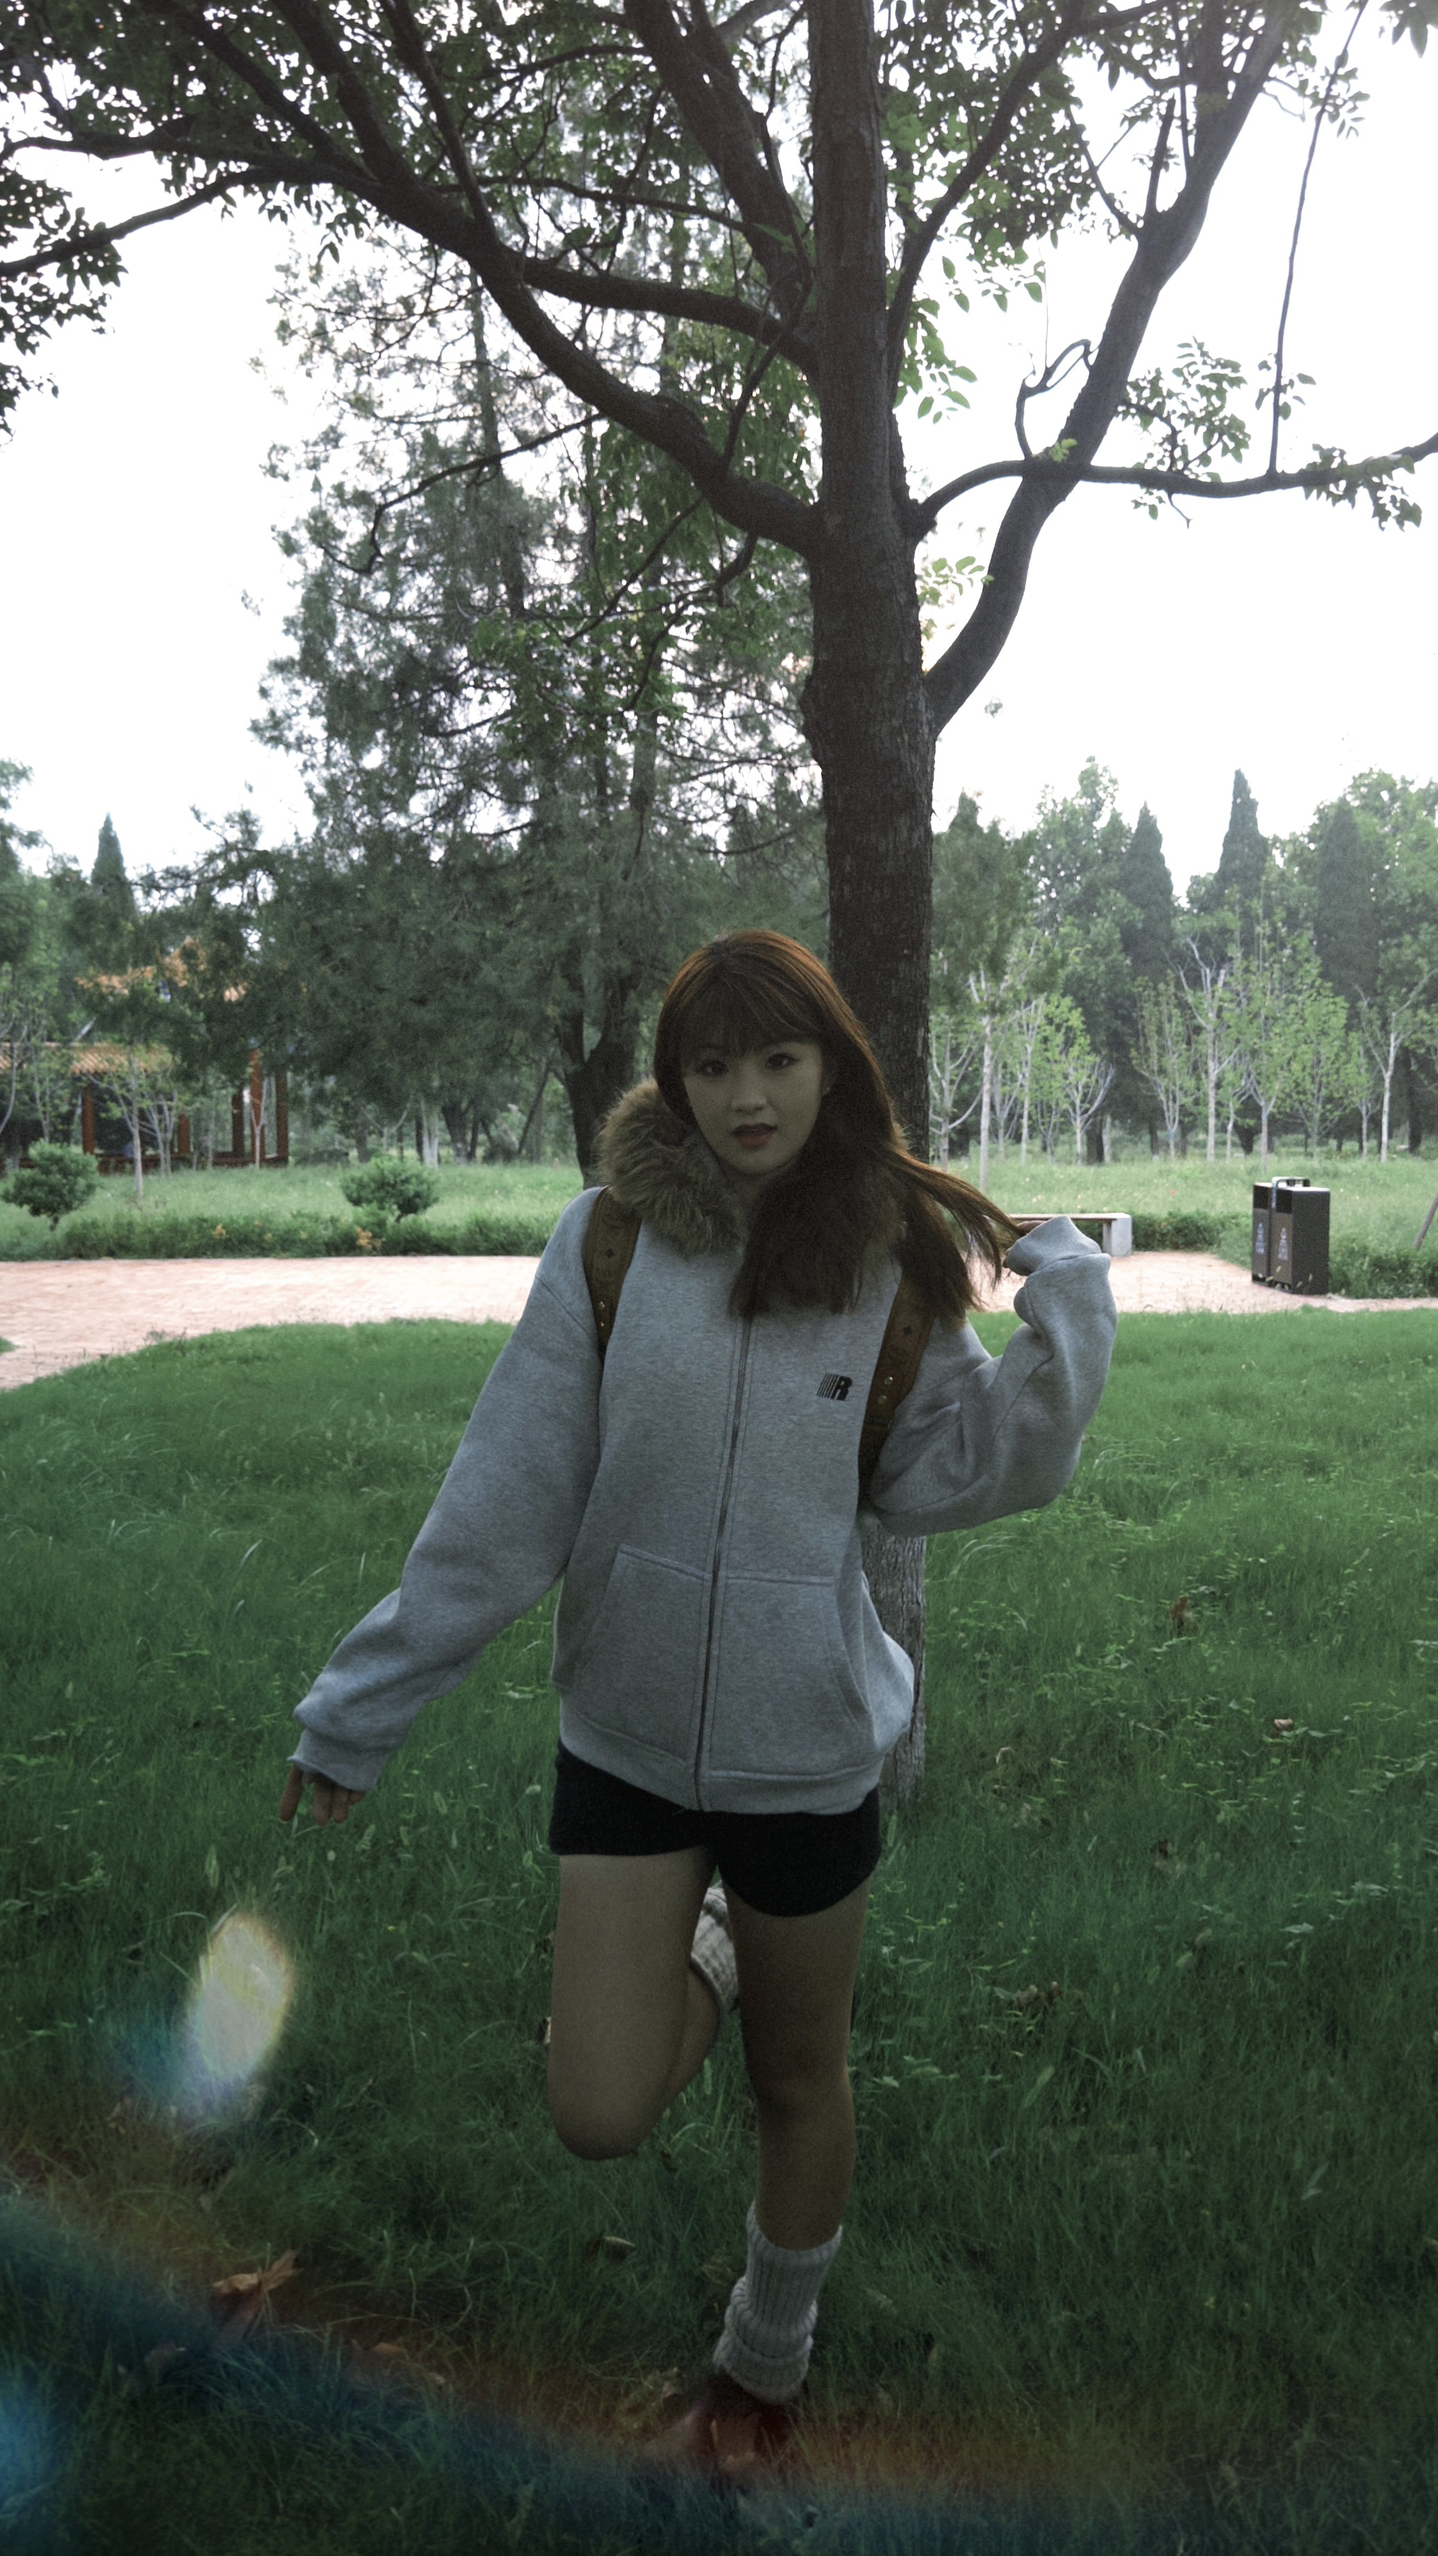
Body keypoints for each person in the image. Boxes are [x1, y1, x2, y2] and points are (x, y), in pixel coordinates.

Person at [278, 930, 1117, 2481]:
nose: (747, 1097)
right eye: (713, 1064)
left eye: (778, 1060)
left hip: (807, 1755)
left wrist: (1065, 1302)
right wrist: (360, 1708)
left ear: (829, 1068)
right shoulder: (608, 1242)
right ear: (674, 1079)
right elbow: (507, 1497)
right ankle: (721, 1945)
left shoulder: (886, 1259)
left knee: (798, 2080)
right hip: (628, 1740)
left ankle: (759, 2370)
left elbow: (956, 1474)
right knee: (597, 2107)